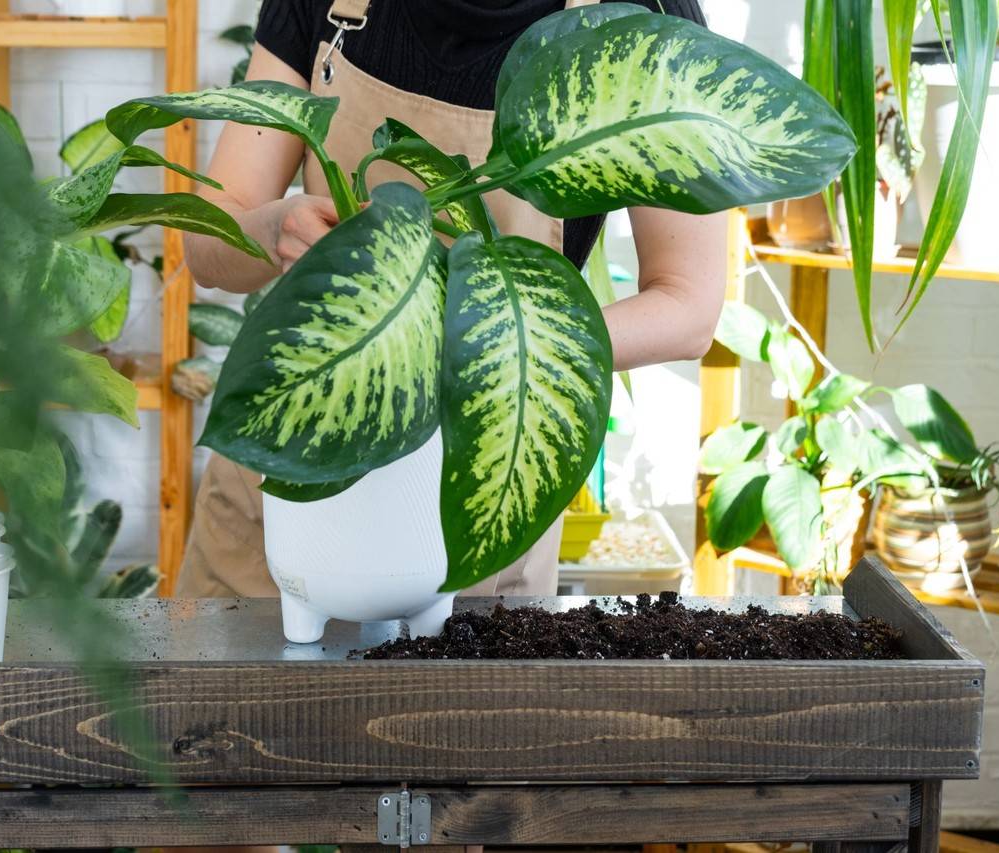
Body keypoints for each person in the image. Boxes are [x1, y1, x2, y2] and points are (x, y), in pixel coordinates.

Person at [176, 0, 727, 604]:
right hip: (288, 478)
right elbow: (207, 241)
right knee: (235, 693)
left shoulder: (635, 18)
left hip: (480, 491)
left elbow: (687, 306)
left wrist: (496, 343)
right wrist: (276, 226)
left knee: (454, 695)